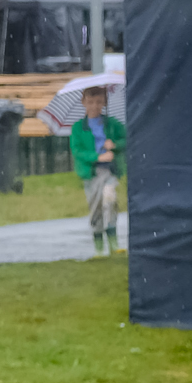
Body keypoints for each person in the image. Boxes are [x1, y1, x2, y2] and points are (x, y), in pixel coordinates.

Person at [71, 85, 126, 257]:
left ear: (104, 103)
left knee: (110, 200)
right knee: (95, 207)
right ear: (84, 102)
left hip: (109, 171)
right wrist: (97, 156)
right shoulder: (78, 128)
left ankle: (114, 244)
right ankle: (99, 247)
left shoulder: (112, 124)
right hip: (92, 173)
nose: (95, 106)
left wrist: (115, 145)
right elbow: (77, 150)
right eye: (91, 102)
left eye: (99, 102)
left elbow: (128, 139)